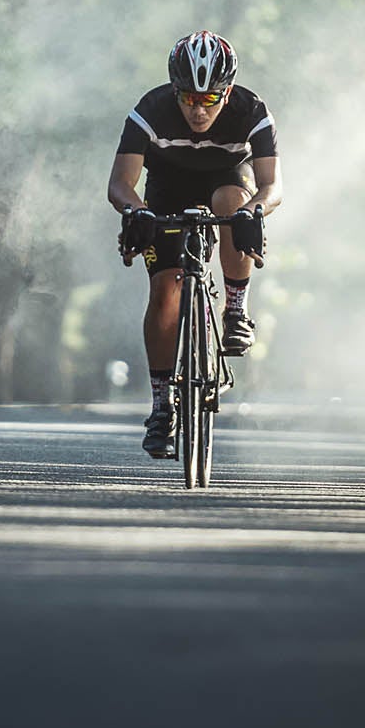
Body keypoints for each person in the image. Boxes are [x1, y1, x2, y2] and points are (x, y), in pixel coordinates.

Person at [107, 30, 281, 458]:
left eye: (209, 99)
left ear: (227, 92)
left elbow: (271, 186)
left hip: (227, 181)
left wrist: (255, 212)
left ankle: (236, 308)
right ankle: (162, 402)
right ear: (173, 89)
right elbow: (120, 184)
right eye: (187, 97)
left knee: (235, 205)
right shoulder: (150, 110)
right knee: (165, 289)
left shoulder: (252, 111)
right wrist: (137, 211)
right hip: (168, 187)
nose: (197, 109)